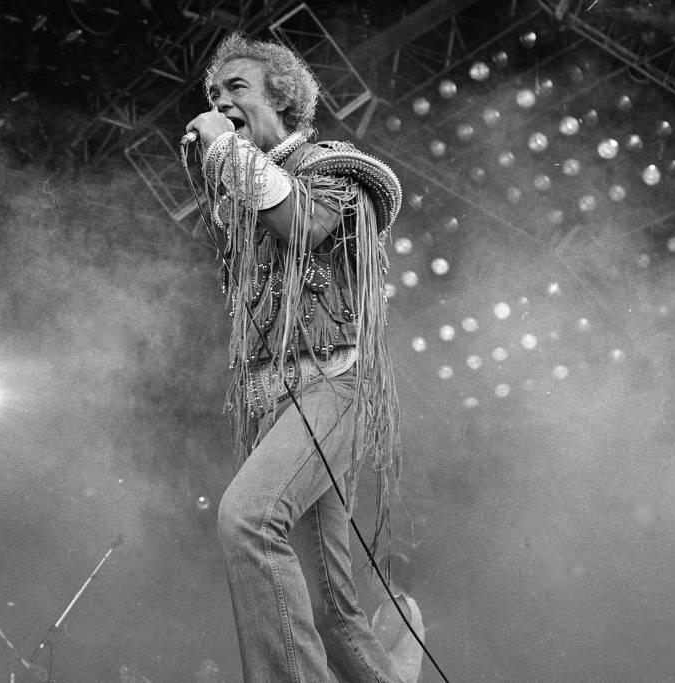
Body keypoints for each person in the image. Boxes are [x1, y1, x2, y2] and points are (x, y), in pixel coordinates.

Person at [185, 33, 421, 682]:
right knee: (330, 606)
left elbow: (303, 225)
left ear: (283, 98)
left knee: (248, 519)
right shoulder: (239, 198)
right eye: (212, 92)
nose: (220, 100)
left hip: (332, 388)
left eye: (237, 88)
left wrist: (226, 145)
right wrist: (217, 158)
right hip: (272, 404)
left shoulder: (337, 168)